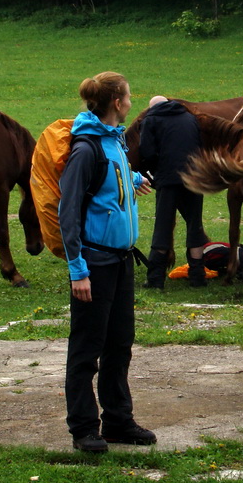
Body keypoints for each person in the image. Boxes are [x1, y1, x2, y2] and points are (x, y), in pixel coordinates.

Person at [59, 71, 155, 453]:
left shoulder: (114, 142)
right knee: (86, 348)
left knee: (119, 344)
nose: (132, 100)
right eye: (129, 96)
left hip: (121, 262)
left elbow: (109, 180)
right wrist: (77, 270)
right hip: (94, 265)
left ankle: (117, 421)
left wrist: (129, 177)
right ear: (117, 102)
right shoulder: (86, 149)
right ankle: (84, 428)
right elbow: (69, 213)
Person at [138, 95, 209, 288]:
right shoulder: (190, 118)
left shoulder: (151, 120)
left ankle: (155, 279)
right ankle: (197, 276)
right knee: (195, 226)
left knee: (163, 226)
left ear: (151, 107)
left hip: (168, 179)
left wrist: (156, 171)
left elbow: (147, 151)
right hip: (194, 178)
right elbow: (200, 146)